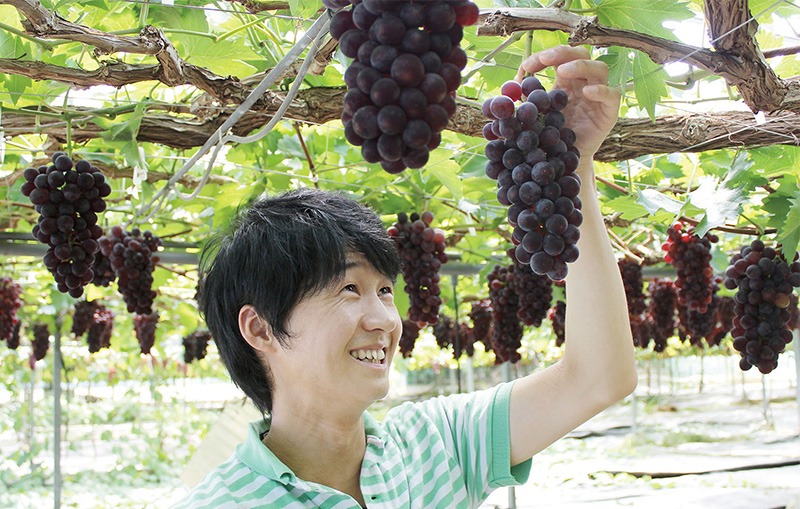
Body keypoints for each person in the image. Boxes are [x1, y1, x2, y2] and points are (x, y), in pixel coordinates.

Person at [174, 45, 636, 509]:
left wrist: (573, 164)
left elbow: (598, 376)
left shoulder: (437, 445)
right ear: (260, 328)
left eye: (385, 291)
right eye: (349, 289)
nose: (384, 320)